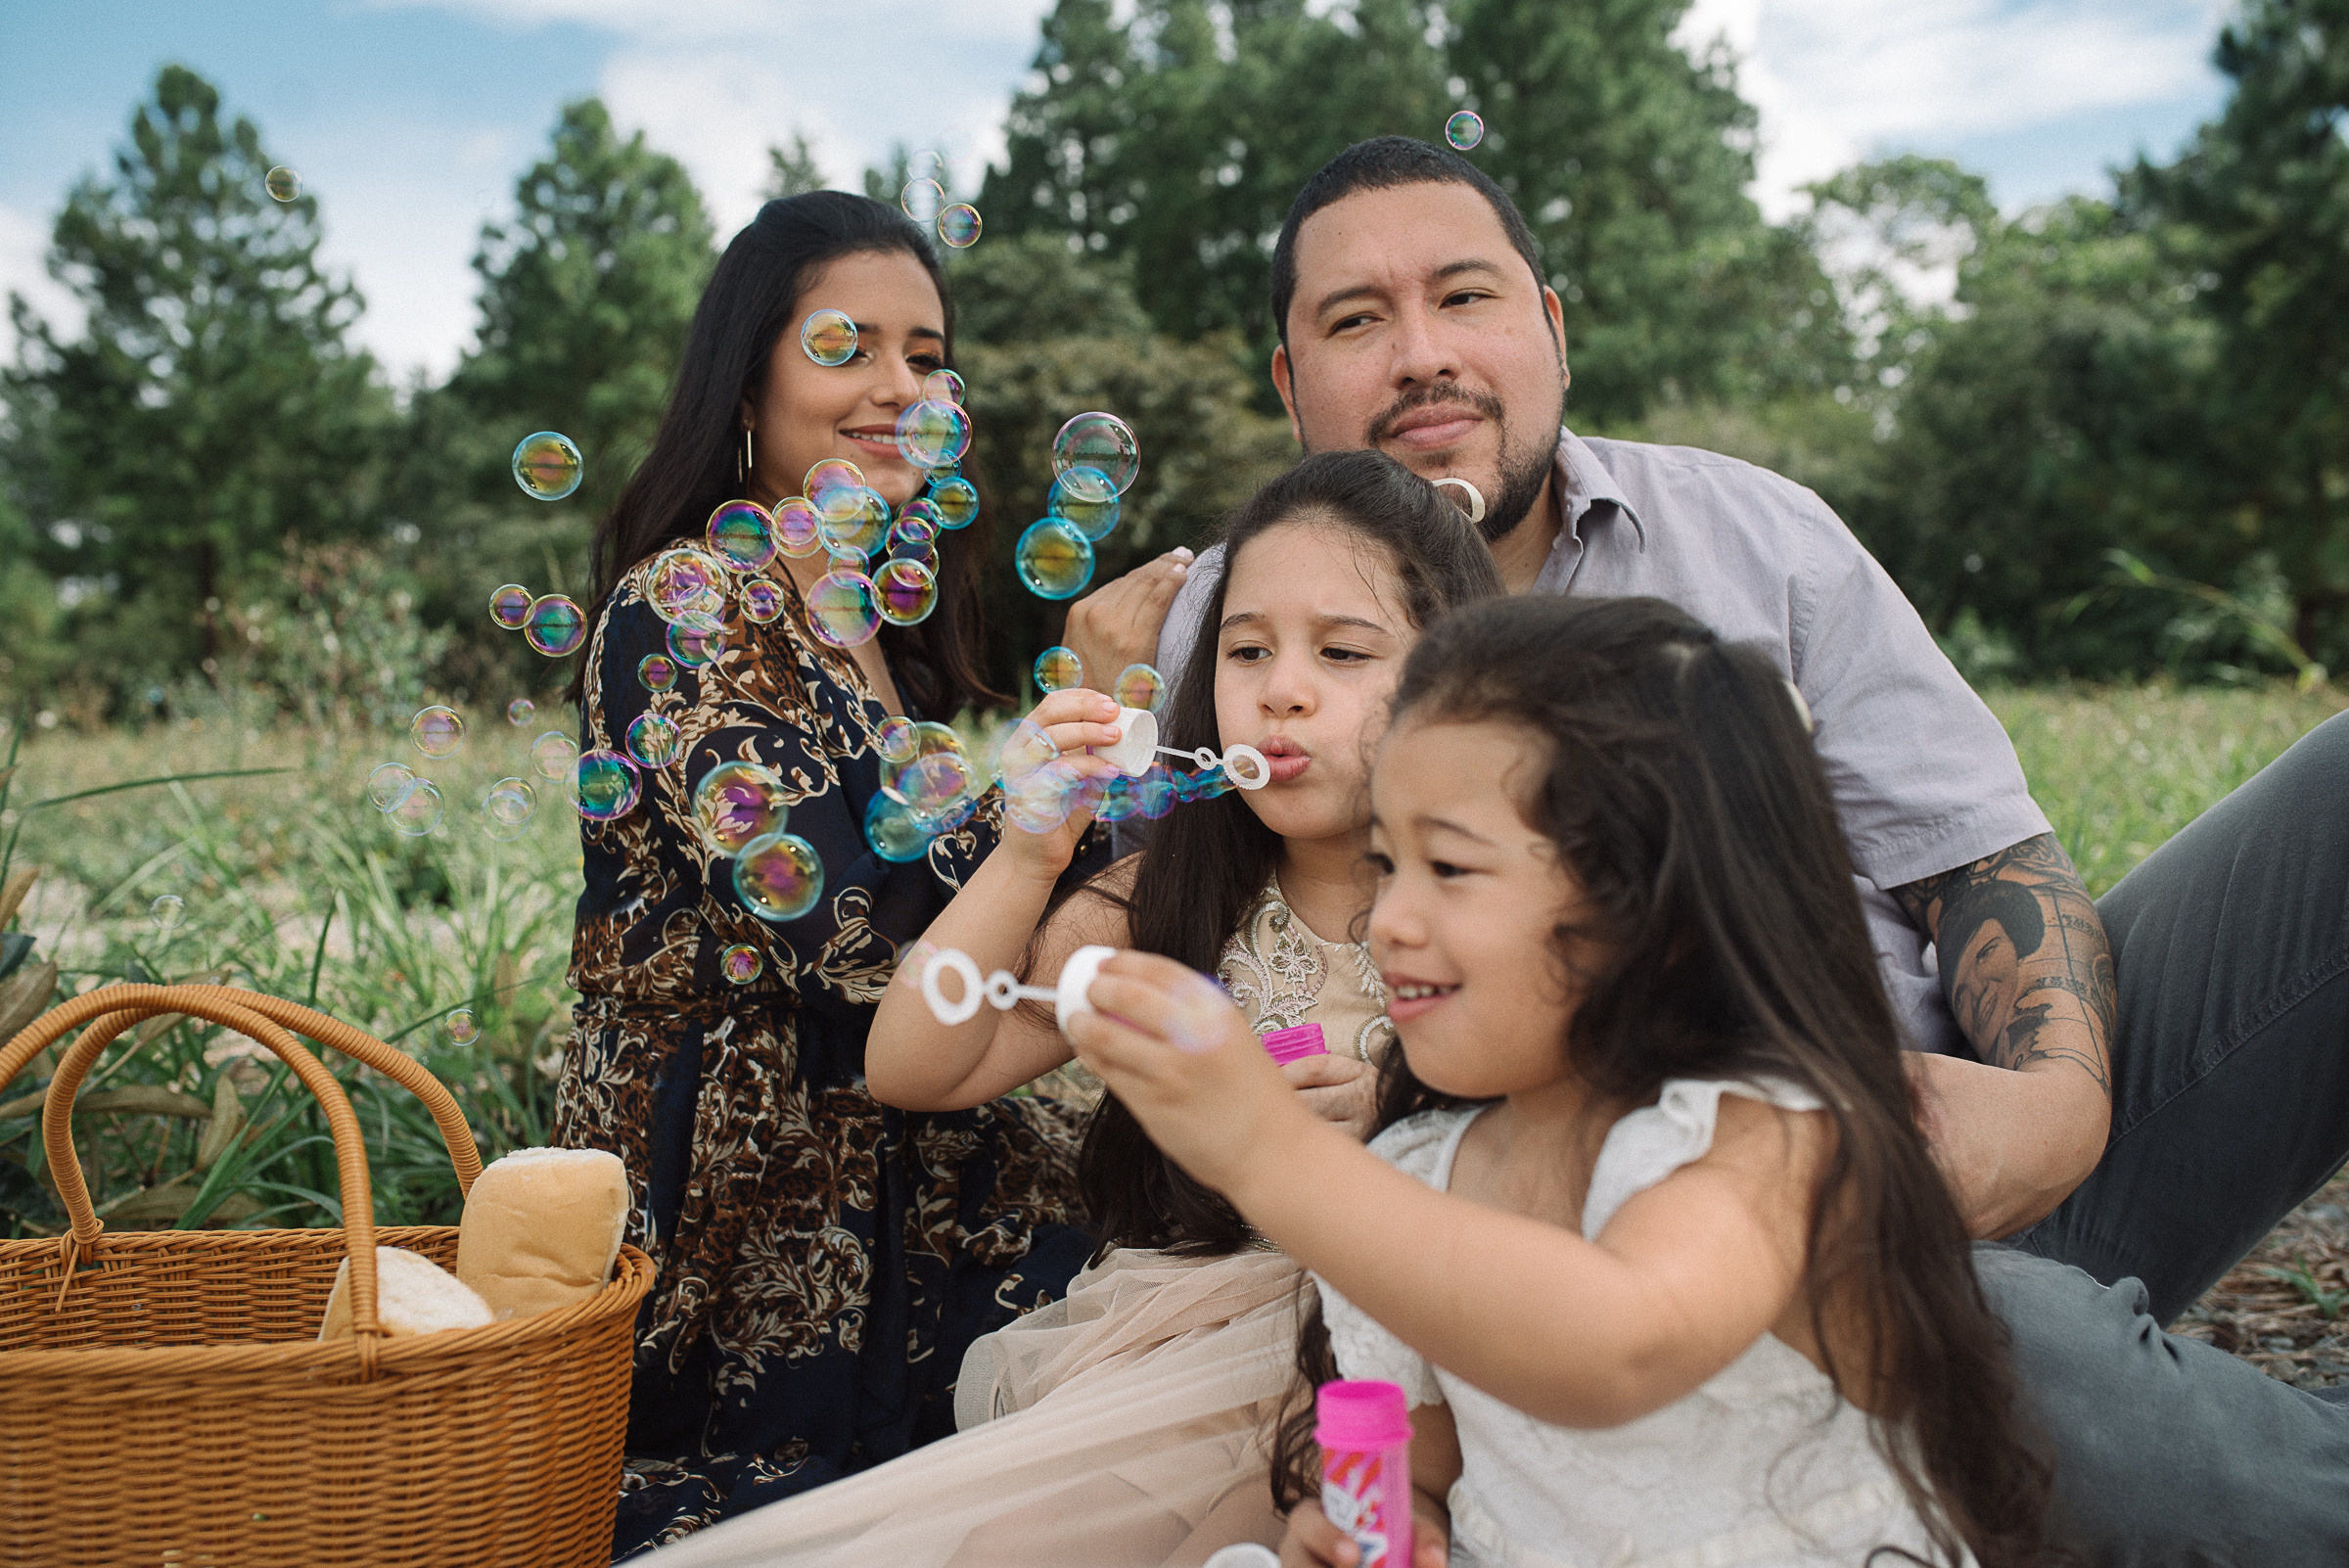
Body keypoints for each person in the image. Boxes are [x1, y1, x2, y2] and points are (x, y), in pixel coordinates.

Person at [1065, 134, 2349, 1560]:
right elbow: (1180, 935)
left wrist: (2052, 1106)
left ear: (1553, 328)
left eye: (1468, 296)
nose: (1421, 353)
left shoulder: (1758, 537)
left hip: (1953, 1128)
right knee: (1988, 1346)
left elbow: (1984, 866)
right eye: (1357, 319)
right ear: (1288, 382)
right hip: (1674, 1267)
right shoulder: (1234, 630)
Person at [635, 449, 1503, 1566]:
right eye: (1247, 650)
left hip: (1411, 1369)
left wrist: (1404, 1113)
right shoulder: (1169, 900)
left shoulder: (1497, 916)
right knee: (1007, 1544)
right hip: (1182, 1348)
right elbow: (918, 1064)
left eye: (1342, 651)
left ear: (1456, 680)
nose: (1282, 688)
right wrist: (1027, 854)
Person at [1074, 594, 2061, 1567]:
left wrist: (1263, 1149)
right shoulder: (1420, 1168)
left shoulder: (1764, 1134)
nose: (1390, 922)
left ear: (1658, 911)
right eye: (1387, 865)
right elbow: (1430, 1462)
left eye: (1449, 869)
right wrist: (1387, 1522)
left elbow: (1619, 1346)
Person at [553, 191, 1099, 1559]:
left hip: (890, 1141)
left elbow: (939, 894)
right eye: (849, 346)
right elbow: (851, 920)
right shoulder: (690, 600)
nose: (900, 387)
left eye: (928, 355)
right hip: (750, 1180)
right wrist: (1053, 795)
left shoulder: (864, 632)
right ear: (750, 377)